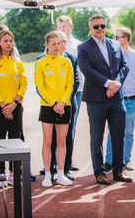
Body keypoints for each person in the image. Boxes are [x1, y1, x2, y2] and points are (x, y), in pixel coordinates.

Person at [78, 14, 131, 185]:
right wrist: (108, 84)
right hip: (96, 100)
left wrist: (116, 84)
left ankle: (118, 170)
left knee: (118, 135)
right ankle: (99, 172)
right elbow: (87, 70)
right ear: (90, 28)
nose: (100, 29)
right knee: (97, 137)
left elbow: (125, 66)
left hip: (117, 98)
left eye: (102, 25)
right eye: (96, 26)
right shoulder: (83, 47)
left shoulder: (115, 44)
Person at [0, 30, 27, 186]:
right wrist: (3, 106)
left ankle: (13, 174)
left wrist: (14, 104)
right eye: (6, 40)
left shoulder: (18, 64)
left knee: (16, 141)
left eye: (11, 40)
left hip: (15, 107)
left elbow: (23, 85)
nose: (9, 43)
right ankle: (1, 174)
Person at [38, 31, 80, 181]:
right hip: (48, 106)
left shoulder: (67, 61)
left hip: (64, 106)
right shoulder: (41, 62)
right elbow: (40, 86)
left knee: (62, 141)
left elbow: (70, 84)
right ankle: (48, 175)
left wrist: (62, 102)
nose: (57, 46)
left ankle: (61, 174)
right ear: (47, 45)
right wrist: (53, 103)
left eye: (59, 43)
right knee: (48, 141)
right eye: (53, 43)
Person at [104, 27, 135, 171]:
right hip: (115, 99)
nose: (113, 39)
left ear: (125, 39)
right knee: (112, 131)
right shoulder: (111, 56)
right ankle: (109, 161)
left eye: (116, 37)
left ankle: (126, 160)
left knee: (128, 132)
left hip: (131, 100)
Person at [57, 15, 83, 172]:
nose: (61, 30)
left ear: (70, 27)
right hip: (55, 95)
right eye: (59, 27)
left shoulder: (78, 46)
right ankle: (54, 161)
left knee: (70, 127)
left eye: (64, 27)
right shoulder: (51, 43)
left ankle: (68, 160)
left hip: (75, 92)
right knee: (54, 129)